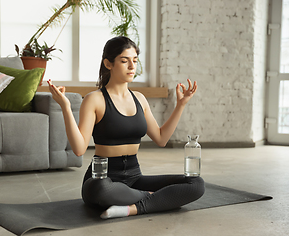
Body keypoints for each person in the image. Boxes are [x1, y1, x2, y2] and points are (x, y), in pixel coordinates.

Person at [47, 36, 205, 219]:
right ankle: (154, 199)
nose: (132, 66)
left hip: (135, 178)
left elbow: (161, 139)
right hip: (103, 179)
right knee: (102, 189)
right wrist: (65, 107)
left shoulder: (139, 99)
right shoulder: (95, 99)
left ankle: (131, 208)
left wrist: (181, 105)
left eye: (135, 60)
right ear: (108, 64)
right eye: (124, 61)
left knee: (196, 184)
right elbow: (79, 148)